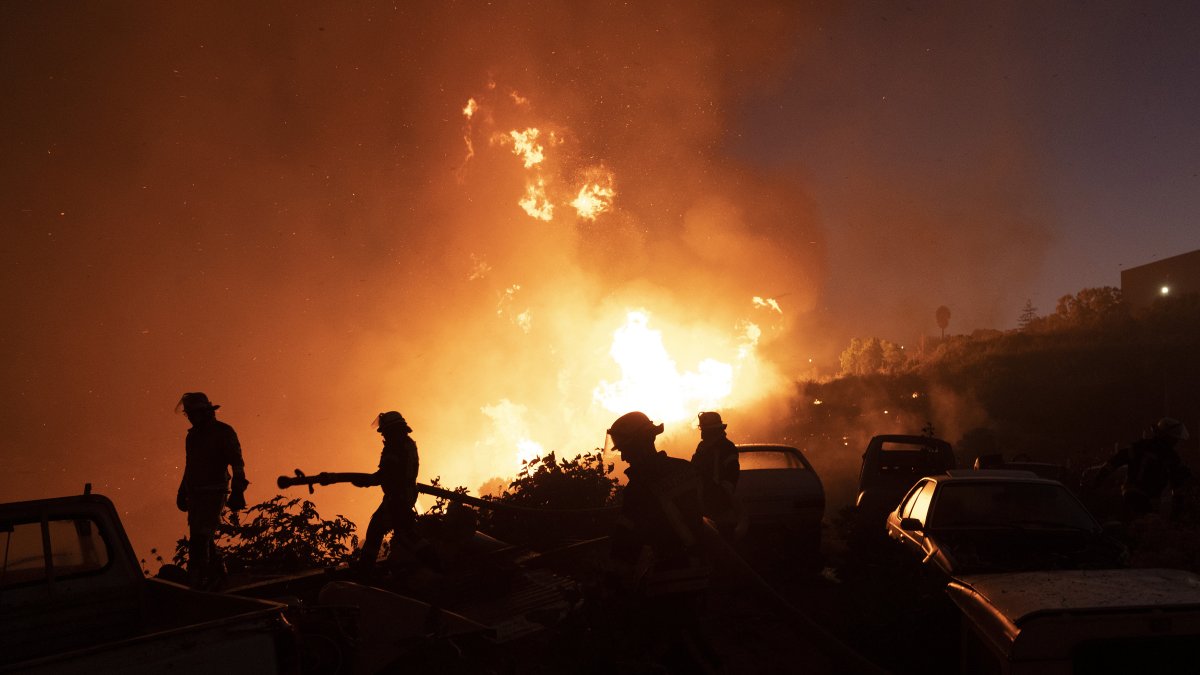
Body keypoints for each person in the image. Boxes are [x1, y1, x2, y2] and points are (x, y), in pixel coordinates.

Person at [605, 411, 719, 672]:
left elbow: (626, 545)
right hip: (702, 569)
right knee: (689, 640)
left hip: (673, 577)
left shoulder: (640, 488)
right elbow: (717, 506)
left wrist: (612, 583)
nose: (623, 457)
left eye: (626, 450)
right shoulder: (686, 469)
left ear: (640, 445)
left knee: (678, 650)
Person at [175, 392, 248, 589]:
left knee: (200, 538)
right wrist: (182, 491)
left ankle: (200, 581)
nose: (190, 417)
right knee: (203, 538)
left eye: (193, 413)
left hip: (214, 492)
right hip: (196, 494)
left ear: (204, 412)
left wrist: (238, 491)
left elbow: (237, 464)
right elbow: (190, 466)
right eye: (188, 414)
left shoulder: (223, 432)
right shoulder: (193, 437)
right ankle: (218, 577)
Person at [354, 411, 432, 571]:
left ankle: (365, 570)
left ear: (392, 430)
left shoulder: (395, 448)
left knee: (380, 531)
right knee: (404, 534)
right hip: (404, 495)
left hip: (397, 498)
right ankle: (434, 562)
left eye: (385, 432)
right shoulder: (407, 444)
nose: (383, 436)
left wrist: (366, 481)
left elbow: (385, 475)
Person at [1093, 417, 1192, 519]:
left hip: (1132, 495)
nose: (1176, 441)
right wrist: (1178, 509)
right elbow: (1177, 485)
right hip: (1143, 498)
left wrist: (1098, 479)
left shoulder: (1141, 446)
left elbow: (1115, 461)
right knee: (1144, 523)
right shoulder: (1171, 457)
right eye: (1174, 438)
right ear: (1167, 437)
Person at [690, 411, 742, 540]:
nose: (702, 434)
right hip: (704, 506)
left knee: (724, 541)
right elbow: (694, 469)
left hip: (721, 509)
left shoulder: (727, 448)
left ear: (714, 430)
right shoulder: (702, 447)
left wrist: (719, 495)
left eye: (704, 430)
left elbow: (732, 476)